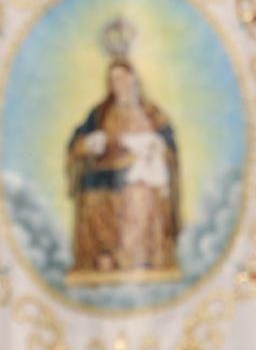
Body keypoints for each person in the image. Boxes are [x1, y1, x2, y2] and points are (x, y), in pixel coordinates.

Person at [65, 20, 181, 283]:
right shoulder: (101, 112)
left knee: (138, 192)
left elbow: (168, 147)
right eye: (114, 79)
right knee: (92, 195)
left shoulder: (152, 114)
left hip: (141, 173)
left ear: (134, 79)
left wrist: (154, 148)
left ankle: (138, 257)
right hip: (104, 172)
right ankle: (101, 258)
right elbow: (78, 142)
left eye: (124, 77)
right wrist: (89, 144)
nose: (120, 83)